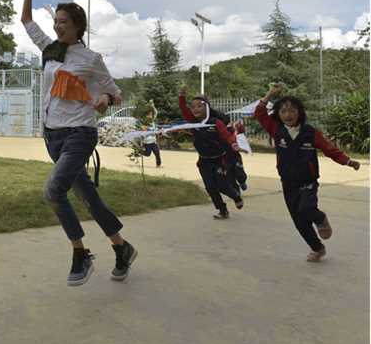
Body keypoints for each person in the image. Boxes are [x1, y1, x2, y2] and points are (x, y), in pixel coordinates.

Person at [21, 0, 137, 286]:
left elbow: (114, 92)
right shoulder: (50, 50)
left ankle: (80, 252)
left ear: (78, 27)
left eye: (64, 23)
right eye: (56, 22)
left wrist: (104, 100)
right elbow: (27, 21)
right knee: (88, 198)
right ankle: (122, 247)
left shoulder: (91, 58)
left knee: (53, 191)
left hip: (80, 134)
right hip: (52, 136)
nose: (58, 27)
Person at [255, 84, 361, 262]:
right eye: (283, 111)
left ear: (300, 113)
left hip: (308, 181)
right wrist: (269, 95)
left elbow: (330, 150)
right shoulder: (276, 130)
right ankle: (318, 248)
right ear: (279, 115)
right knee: (299, 221)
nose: (288, 115)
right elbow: (259, 113)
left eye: (292, 111)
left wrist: (348, 161)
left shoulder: (310, 133)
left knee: (307, 208)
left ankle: (320, 218)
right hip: (288, 183)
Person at [177, 85, 244, 219]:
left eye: (199, 106)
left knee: (222, 186)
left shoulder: (216, 123)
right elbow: (184, 109)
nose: (195, 109)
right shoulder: (193, 122)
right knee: (210, 187)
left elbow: (227, 135)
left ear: (206, 107)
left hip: (220, 160)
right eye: (193, 106)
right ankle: (222, 210)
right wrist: (181, 96)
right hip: (204, 161)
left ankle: (236, 196)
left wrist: (234, 143)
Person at [140, 100, 162, 167]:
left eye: (150, 115)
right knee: (147, 154)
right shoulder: (144, 123)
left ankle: (158, 165)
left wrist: (152, 105)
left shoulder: (152, 121)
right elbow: (144, 129)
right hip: (147, 142)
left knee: (157, 153)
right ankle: (139, 152)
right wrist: (151, 130)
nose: (150, 116)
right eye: (148, 115)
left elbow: (156, 112)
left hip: (153, 142)